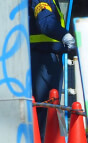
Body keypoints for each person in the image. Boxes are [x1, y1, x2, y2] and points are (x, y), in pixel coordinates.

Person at [29, 0, 75, 132]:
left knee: (52, 104)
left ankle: (58, 142)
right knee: (48, 105)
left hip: (46, 56)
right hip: (44, 58)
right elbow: (46, 22)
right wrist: (64, 35)